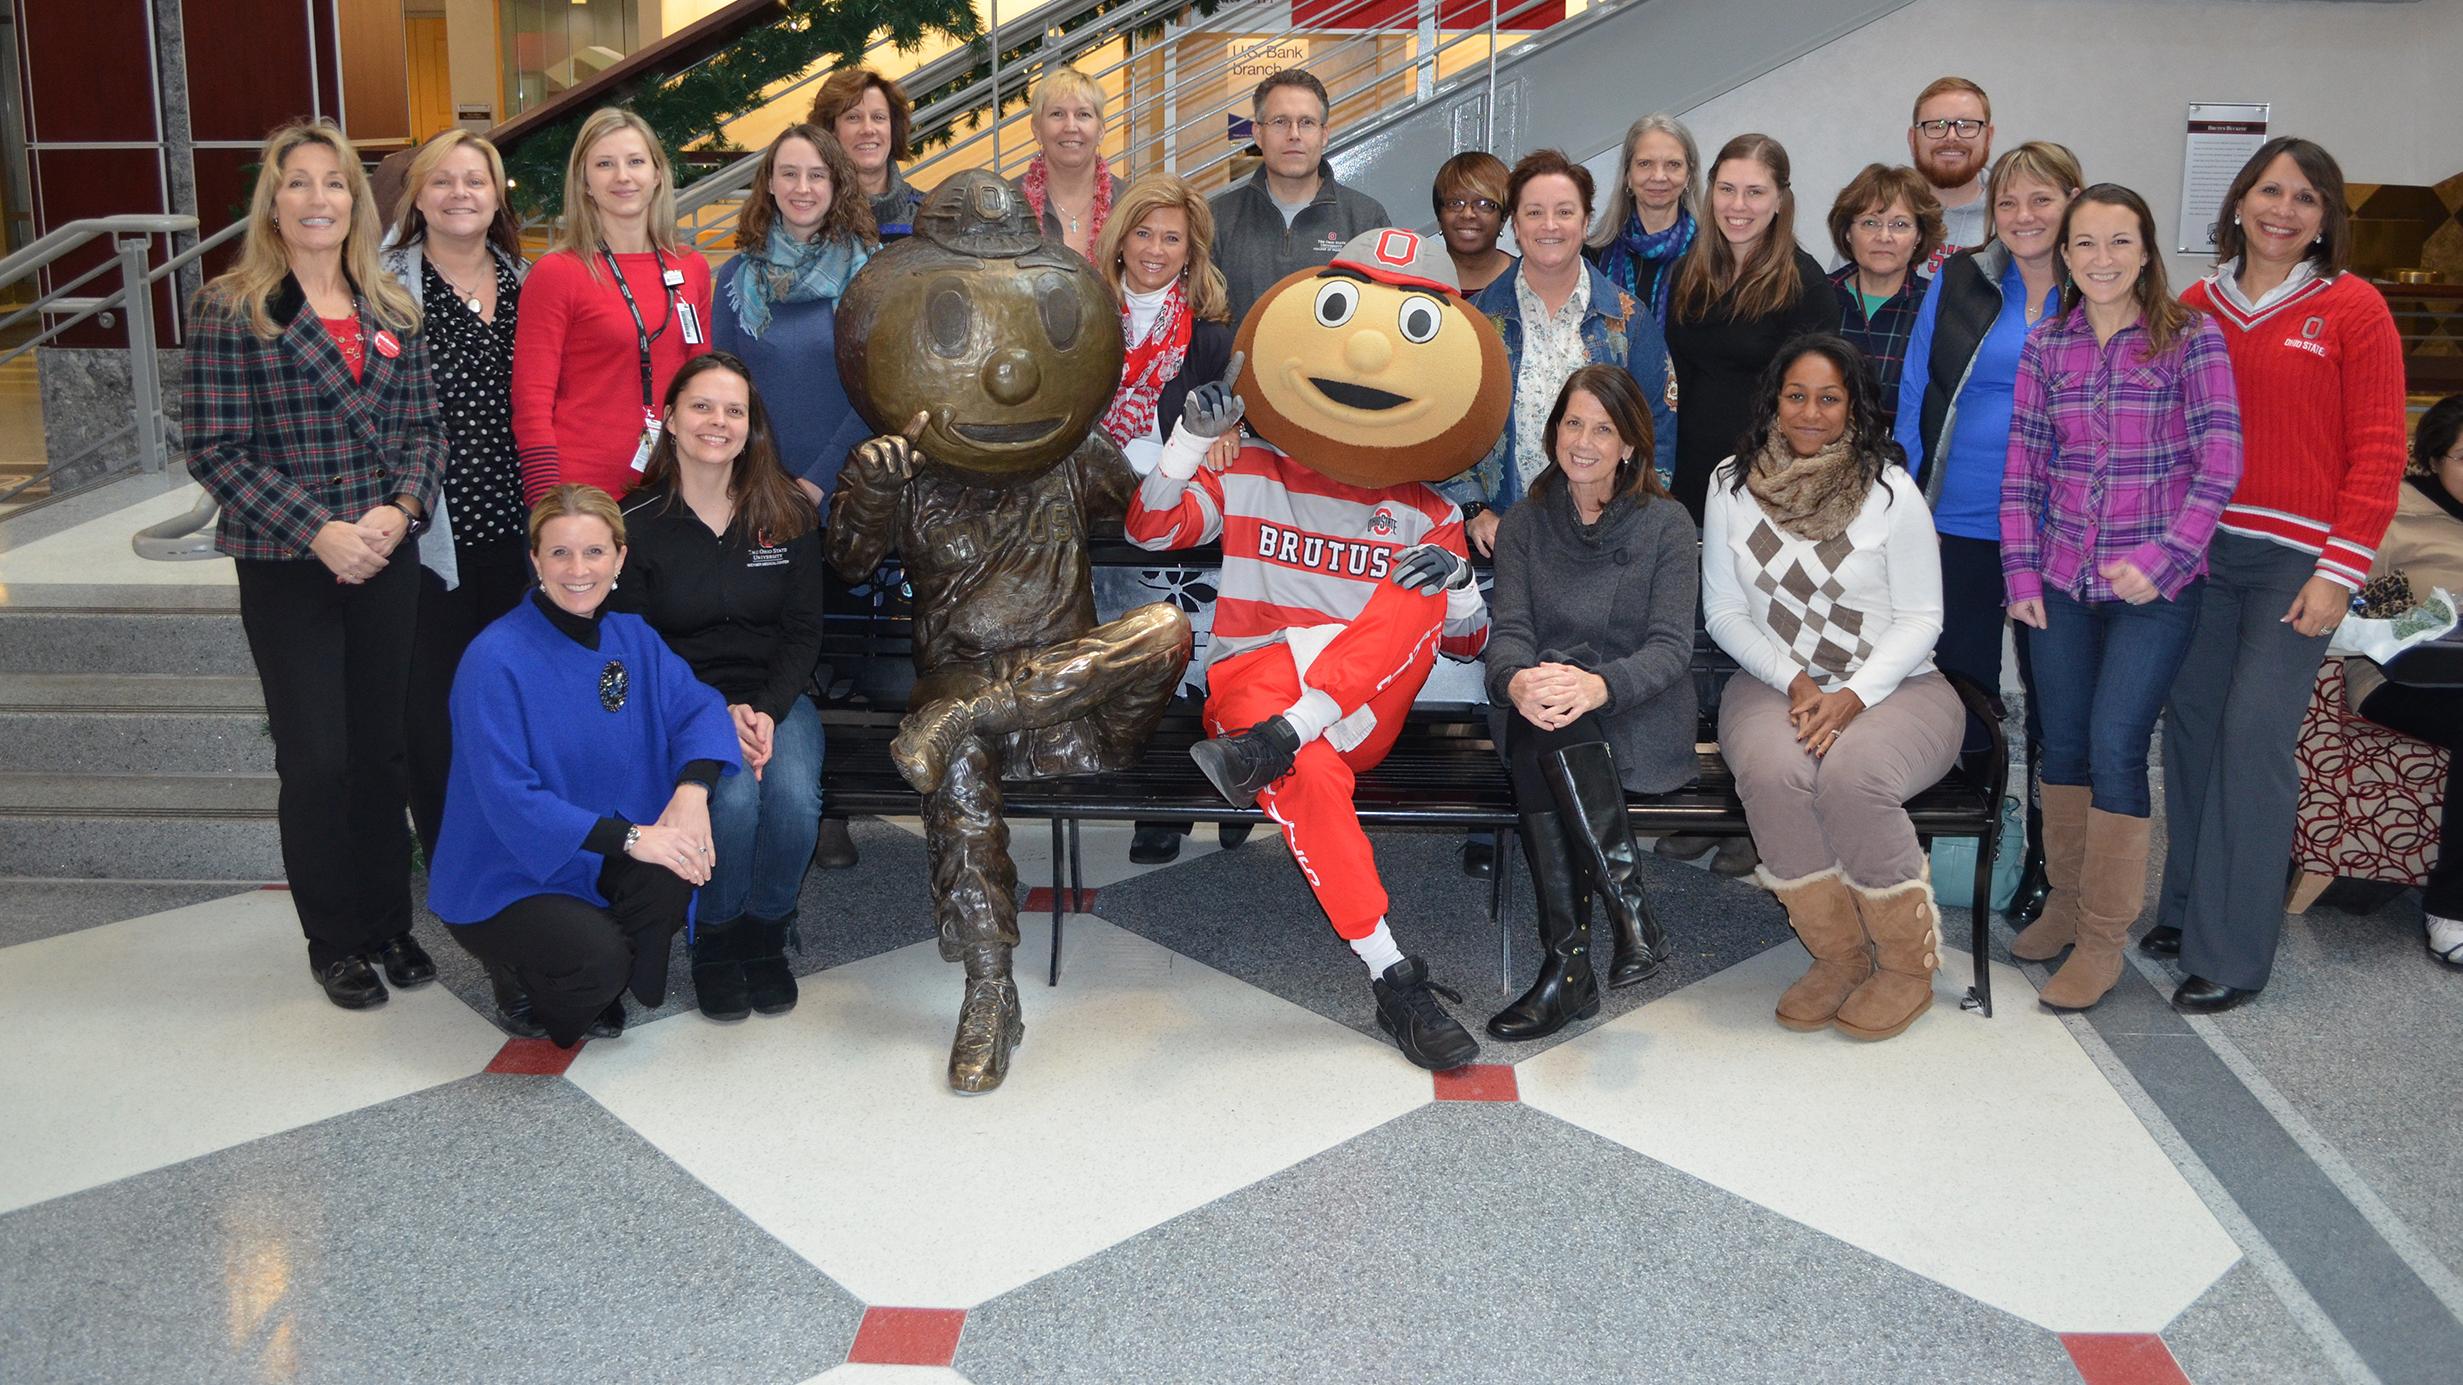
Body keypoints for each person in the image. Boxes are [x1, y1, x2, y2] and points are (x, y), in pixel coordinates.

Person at [1127, 227, 1511, 1071]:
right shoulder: (1252, 468)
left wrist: (1457, 581)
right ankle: (1392, 975)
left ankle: (1284, 737)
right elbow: (1150, 527)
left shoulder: (1428, 511)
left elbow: (1473, 642)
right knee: (1307, 778)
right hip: (1256, 687)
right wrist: (1187, 444)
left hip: (1351, 709)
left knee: (1422, 582)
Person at [2147, 138, 2409, 1013]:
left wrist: (2339, 569)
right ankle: (2184, 908)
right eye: (2269, 190)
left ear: (2326, 217)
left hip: (2296, 566)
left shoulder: (2352, 308)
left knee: (2254, 738)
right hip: (2201, 554)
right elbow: (2165, 435)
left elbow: (2378, 448)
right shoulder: (2192, 305)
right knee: (2188, 727)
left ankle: (2233, 950)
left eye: (2305, 197)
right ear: (2237, 201)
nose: (2284, 210)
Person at [185, 121, 443, 1011]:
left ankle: (387, 922)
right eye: (299, 183)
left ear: (356, 202)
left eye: (335, 184)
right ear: (274, 200)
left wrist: (397, 510)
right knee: (318, 757)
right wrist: (319, 530)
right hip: (289, 565)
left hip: (386, 554)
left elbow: (423, 434)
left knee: (383, 752)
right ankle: (333, 937)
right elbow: (216, 451)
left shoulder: (391, 306)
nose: (320, 200)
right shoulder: (234, 306)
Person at [2000, 185, 2242, 1011]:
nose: (2100, 259)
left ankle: (2104, 934)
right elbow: (2023, 468)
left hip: (2156, 586)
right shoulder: (2046, 347)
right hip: (2060, 581)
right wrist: (2021, 573)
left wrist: (2168, 553)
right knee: (2059, 742)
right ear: (2063, 256)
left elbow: (2218, 466)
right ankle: (2065, 903)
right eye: (2083, 245)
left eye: (2117, 242)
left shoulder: (2190, 339)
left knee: (2112, 741)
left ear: (2145, 252)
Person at [1704, 336, 1961, 1041]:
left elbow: (1922, 617)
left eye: (1827, 397)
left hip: (1898, 685)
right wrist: (1794, 679)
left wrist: (1853, 694)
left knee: (1852, 775)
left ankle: (1906, 967)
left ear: (1852, 407)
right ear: (1773, 401)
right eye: (1796, 395)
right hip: (1774, 678)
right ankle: (1839, 956)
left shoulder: (1888, 490)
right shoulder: (1731, 484)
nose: (1810, 412)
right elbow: (1722, 612)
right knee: (1773, 770)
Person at [429, 486, 742, 1046]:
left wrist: (692, 792)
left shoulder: (632, 635)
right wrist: (631, 839)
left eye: (595, 552)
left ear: (620, 558)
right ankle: (525, 968)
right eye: (560, 553)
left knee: (673, 867)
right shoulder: (493, 659)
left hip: (597, 852)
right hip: (506, 871)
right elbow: (510, 798)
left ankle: (588, 958)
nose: (579, 569)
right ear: (535, 560)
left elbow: (700, 708)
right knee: (600, 967)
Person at [1449, 148, 1679, 881]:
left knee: (1581, 668)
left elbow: (1658, 431)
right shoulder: (1475, 318)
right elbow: (1445, 423)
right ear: (1513, 224)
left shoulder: (1626, 316)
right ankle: (1517, 801)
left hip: (1599, 538)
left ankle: (1571, 813)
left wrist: (1630, 524)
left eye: (1564, 211)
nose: (1548, 225)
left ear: (1586, 220)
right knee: (1511, 666)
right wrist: (1474, 506)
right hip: (1507, 534)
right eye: (1532, 212)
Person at [1893, 140, 2082, 928]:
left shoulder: (2100, 283)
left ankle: (2049, 863)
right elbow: (1914, 390)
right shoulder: (1960, 279)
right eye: (2008, 202)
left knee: (2058, 706)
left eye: (2041, 200)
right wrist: (1904, 500)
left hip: (2062, 531)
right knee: (1957, 695)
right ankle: (1957, 855)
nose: (2024, 216)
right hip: (1959, 520)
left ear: (2073, 200)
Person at [1483, 365, 1697, 1039]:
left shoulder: (1664, 523)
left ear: (1630, 445)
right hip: (1542, 708)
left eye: (1603, 429)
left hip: (1634, 707)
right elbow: (1509, 634)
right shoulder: (1523, 523)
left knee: (1550, 732)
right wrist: (1516, 681)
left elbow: (1670, 648)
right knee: (1544, 718)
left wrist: (1598, 686)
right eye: (1572, 423)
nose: (1584, 441)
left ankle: (1567, 970)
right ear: (1552, 435)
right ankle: (1629, 917)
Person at [611, 355, 825, 1022]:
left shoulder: (786, 511)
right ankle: (716, 937)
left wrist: (764, 709)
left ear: (750, 427)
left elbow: (803, 628)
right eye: (702, 406)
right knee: (730, 798)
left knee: (792, 796)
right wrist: (713, 710)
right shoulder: (635, 521)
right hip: (683, 702)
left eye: (734, 410)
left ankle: (765, 932)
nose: (718, 422)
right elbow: (639, 646)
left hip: (775, 694)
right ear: (669, 420)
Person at [1089, 173, 1249, 867]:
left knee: (1190, 662)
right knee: (1132, 667)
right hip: (1099, 519)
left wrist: (1223, 432)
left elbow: (1224, 419)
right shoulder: (1079, 315)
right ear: (1119, 240)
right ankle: (1151, 806)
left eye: (1171, 238)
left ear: (1191, 252)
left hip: (1176, 526)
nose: (1155, 248)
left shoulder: (1211, 335)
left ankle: (1209, 793)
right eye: (1143, 232)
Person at [382, 130, 531, 869]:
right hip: (429, 538)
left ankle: (513, 853)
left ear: (497, 192)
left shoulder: (530, 281)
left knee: (509, 707)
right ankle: (452, 865)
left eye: (474, 180)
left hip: (517, 535)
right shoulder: (381, 283)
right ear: (417, 196)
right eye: (441, 181)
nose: (459, 194)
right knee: (432, 715)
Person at [511, 108, 713, 503]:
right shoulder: (557, 273)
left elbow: (700, 379)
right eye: (605, 164)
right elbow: (531, 399)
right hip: (580, 494)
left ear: (657, 175)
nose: (623, 176)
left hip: (672, 485)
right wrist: (547, 504)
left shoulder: (691, 267)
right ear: (585, 182)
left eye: (635, 162)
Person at [1663, 132, 1838, 523]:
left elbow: (1814, 406)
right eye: (1726, 189)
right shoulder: (1688, 272)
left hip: (1767, 484)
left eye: (1755, 192)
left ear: (1780, 201)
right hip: (1690, 476)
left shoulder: (1806, 285)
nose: (1737, 205)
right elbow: (1676, 379)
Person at [2345, 396, 2463, 965]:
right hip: (2401, 677)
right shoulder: (2395, 513)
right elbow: (2340, 606)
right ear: (2435, 459)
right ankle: (2452, 908)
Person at [713, 123, 876, 510]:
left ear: (837, 185)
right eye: (789, 173)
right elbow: (722, 390)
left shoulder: (872, 275)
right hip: (757, 492)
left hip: (849, 492)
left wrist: (818, 483)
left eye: (817, 175)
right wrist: (758, 482)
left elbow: (878, 397)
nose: (802, 188)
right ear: (769, 182)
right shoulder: (737, 277)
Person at [1207, 68, 1391, 322]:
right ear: (1258, 134)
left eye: (1306, 122)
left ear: (1324, 135)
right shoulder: (1217, 218)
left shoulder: (1365, 219)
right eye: (1280, 122)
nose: (1294, 134)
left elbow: (1382, 318)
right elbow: (1203, 318)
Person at [1825, 163, 1942, 418]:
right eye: (1870, 223)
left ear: (1919, 236)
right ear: (1847, 233)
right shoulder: (1818, 297)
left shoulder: (1936, 307)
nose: (1884, 236)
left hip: (1901, 455)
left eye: (1900, 225)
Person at [1586, 113, 1701, 331]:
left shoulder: (1713, 256)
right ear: (1627, 174)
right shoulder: (1592, 256)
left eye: (1673, 164)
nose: (1658, 176)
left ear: (1688, 176)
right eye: (1645, 163)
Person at [1013, 67, 1122, 261]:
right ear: (1037, 129)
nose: (1071, 127)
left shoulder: (1127, 203)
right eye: (1057, 114)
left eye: (1083, 115)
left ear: (1101, 131)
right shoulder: (1009, 202)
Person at [809, 66, 925, 241]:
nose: (868, 129)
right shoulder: (808, 221)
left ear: (893, 128)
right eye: (853, 118)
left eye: (878, 117)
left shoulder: (931, 216)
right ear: (830, 130)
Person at [1906, 76, 1995, 280]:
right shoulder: (1876, 214)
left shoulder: (2013, 223)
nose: (1952, 136)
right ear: (1913, 139)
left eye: (1966, 125)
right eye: (1936, 126)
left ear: (1988, 137)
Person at [1432, 151, 1514, 297]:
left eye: (1484, 204)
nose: (1467, 214)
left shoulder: (1528, 282)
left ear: (1503, 218)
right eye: (1455, 203)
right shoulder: (1416, 282)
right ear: (1439, 216)